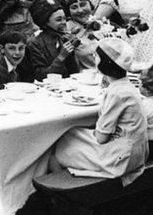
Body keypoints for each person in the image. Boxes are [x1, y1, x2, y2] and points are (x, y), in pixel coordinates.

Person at [52, 37, 148, 183]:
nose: (93, 58)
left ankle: (64, 196)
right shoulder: (126, 86)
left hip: (122, 157)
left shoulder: (117, 92)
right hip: (136, 152)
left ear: (106, 63)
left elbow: (101, 138)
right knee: (72, 134)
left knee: (62, 144)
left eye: (96, 56)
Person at [26, 0, 79, 80]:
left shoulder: (63, 38)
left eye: (64, 18)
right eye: (58, 20)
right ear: (45, 23)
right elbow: (41, 76)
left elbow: (73, 72)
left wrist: (72, 53)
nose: (64, 22)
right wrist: (61, 56)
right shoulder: (35, 43)